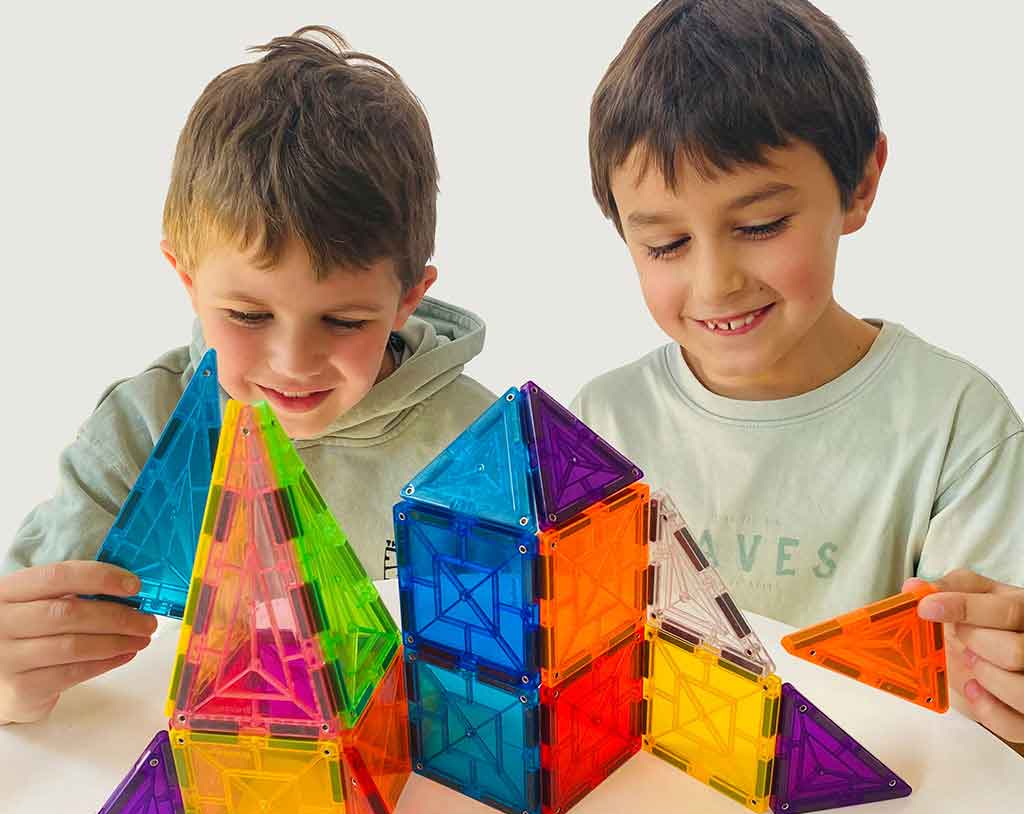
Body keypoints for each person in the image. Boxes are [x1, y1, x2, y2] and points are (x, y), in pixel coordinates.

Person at [0, 26, 494, 725]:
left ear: (408, 299)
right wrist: (13, 686)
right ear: (187, 278)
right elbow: (28, 648)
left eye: (344, 321)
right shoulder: (139, 434)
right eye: (247, 314)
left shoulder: (480, 447)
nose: (293, 363)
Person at [573, 0, 1024, 742]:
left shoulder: (956, 426)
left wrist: (1001, 694)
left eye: (760, 226)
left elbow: (979, 720)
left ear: (860, 183)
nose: (716, 283)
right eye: (666, 245)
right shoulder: (599, 425)